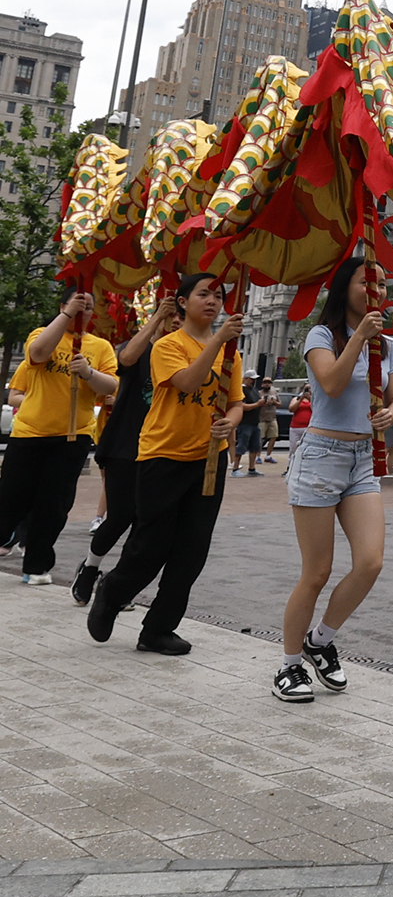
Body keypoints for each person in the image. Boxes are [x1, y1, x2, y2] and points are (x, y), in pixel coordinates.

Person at [85, 273, 246, 655]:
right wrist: (220, 341)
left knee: (192, 550)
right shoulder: (167, 346)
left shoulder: (232, 352)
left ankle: (157, 628)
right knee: (150, 546)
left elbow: (236, 401)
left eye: (218, 295)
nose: (212, 301)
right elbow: (188, 383)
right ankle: (112, 590)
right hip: (162, 456)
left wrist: (232, 421)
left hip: (209, 460)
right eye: (203, 294)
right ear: (183, 302)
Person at [273, 257, 393, 705]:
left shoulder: (388, 346)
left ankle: (320, 640)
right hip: (320, 457)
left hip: (362, 459)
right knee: (317, 572)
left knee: (370, 563)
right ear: (345, 287)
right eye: (370, 282)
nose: (379, 290)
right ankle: (289, 667)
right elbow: (329, 383)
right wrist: (360, 339)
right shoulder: (322, 336)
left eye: (384, 284)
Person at [0, 291, 119, 587]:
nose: (84, 310)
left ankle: (36, 566)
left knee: (53, 505)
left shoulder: (100, 346)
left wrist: (89, 372)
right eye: (78, 304)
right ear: (63, 306)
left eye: (89, 307)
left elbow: (111, 385)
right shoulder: (42, 334)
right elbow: (38, 354)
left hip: (72, 435)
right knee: (11, 498)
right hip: (30, 432)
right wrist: (66, 317)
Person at [72, 299, 179, 608]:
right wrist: (157, 315)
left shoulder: (184, 356)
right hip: (126, 446)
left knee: (145, 524)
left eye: (179, 317)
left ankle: (116, 585)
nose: (175, 322)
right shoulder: (142, 348)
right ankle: (90, 567)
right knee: (119, 516)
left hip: (162, 449)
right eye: (170, 316)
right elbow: (126, 359)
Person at [233, 375, 268, 475]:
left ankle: (251, 469)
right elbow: (242, 406)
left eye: (255, 379)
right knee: (241, 446)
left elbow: (256, 403)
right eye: (252, 379)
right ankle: (235, 468)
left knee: (255, 446)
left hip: (255, 422)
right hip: (245, 423)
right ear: (246, 378)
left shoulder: (254, 390)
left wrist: (263, 404)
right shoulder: (242, 390)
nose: (253, 381)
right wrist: (257, 404)